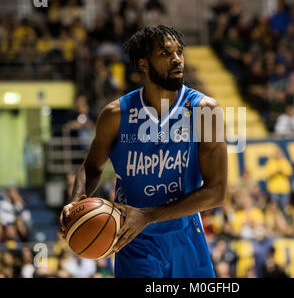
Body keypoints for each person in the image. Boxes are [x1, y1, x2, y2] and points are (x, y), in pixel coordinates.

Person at [59, 25, 228, 278]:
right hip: (132, 240)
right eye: (165, 53)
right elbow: (91, 167)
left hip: (186, 238)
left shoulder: (205, 111)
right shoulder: (116, 115)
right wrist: (76, 201)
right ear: (144, 64)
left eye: (179, 52)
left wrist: (147, 215)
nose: (177, 59)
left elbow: (216, 192)